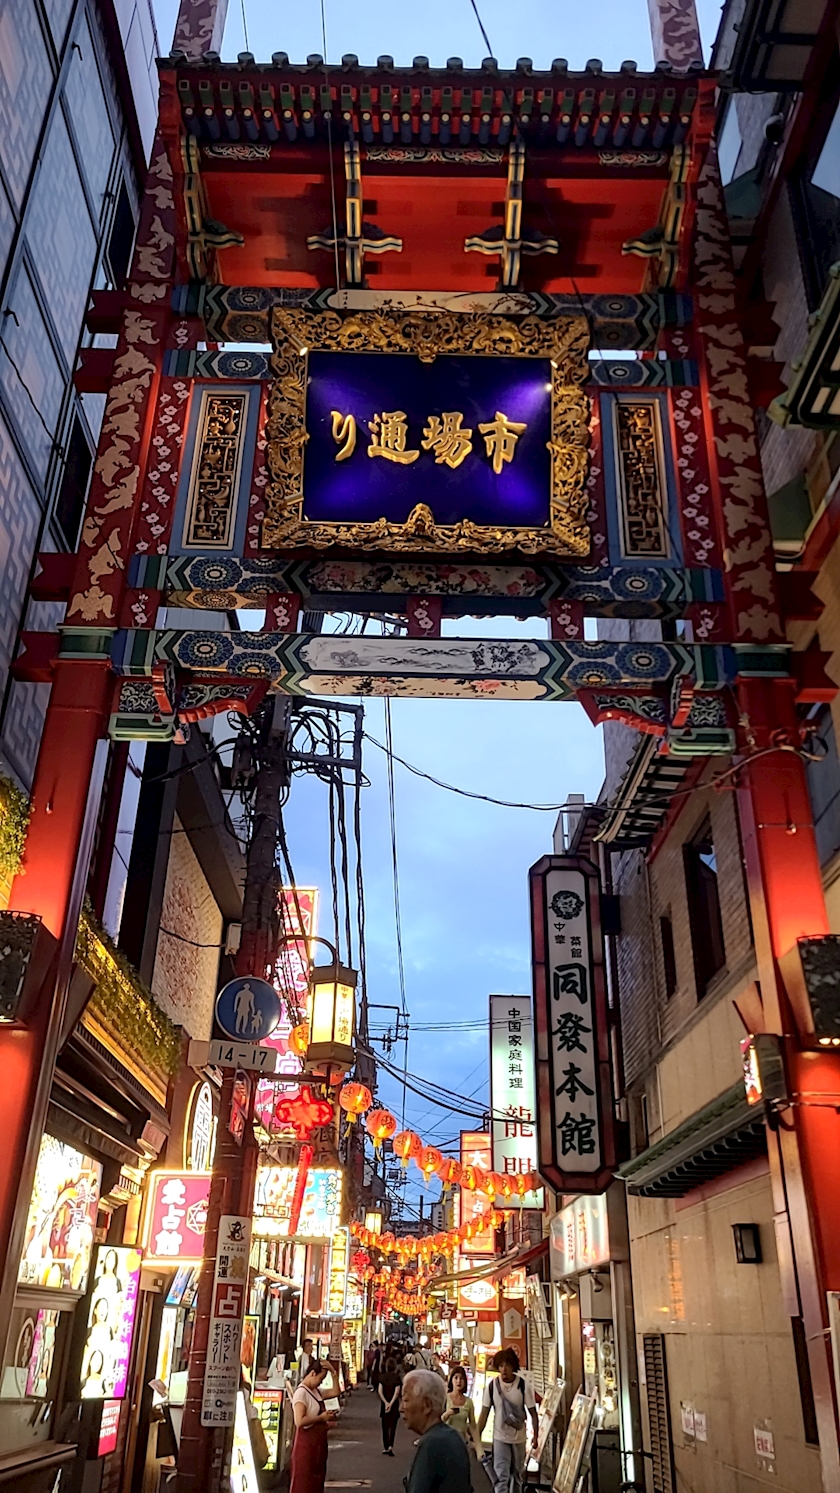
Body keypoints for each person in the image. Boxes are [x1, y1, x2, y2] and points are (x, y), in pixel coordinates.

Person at [476, 1351, 538, 1493]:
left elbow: (533, 1413)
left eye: (507, 1365)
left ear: (513, 1367)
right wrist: (476, 1438)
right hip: (500, 1438)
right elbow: (484, 1414)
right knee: (500, 1477)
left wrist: (536, 1436)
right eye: (501, 1366)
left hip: (519, 1439)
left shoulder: (523, 1385)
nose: (504, 1369)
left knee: (517, 1476)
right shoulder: (492, 1386)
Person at [401, 1369, 471, 1493]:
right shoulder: (454, 1437)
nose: (401, 1408)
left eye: (406, 1400)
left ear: (427, 1405)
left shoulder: (431, 1444)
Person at [290, 1361, 333, 1493]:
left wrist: (334, 1372)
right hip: (306, 1448)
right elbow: (299, 1421)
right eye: (320, 1379)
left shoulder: (316, 1391)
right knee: (304, 1485)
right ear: (313, 1374)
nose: (321, 1382)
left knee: (316, 1485)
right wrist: (321, 1418)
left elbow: (335, 1391)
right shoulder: (301, 1393)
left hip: (318, 1447)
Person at [378, 1354, 402, 1455]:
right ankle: (391, 1446)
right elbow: (397, 1392)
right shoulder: (397, 1378)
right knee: (393, 1426)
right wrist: (391, 1403)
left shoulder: (382, 1377)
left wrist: (386, 1403)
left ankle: (386, 1446)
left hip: (384, 1405)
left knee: (384, 1426)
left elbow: (380, 1391)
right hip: (394, 1405)